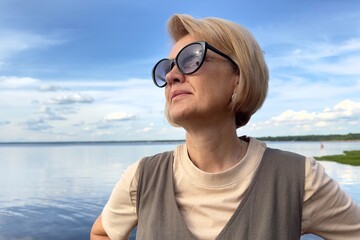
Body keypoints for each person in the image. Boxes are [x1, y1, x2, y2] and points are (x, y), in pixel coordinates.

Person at [91, 14, 360, 240]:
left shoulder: (299, 178)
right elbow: (102, 233)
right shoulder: (141, 177)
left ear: (238, 76)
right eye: (168, 67)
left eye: (191, 58)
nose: (172, 75)